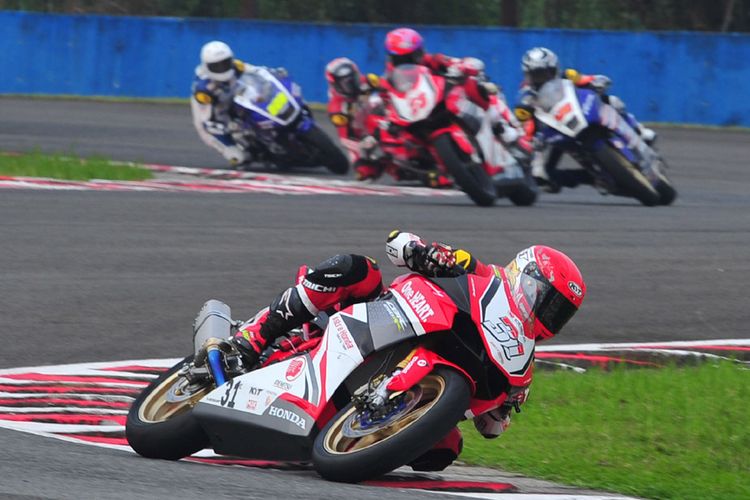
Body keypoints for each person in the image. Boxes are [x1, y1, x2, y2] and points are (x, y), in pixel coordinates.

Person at [225, 230, 586, 468]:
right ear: (525, 276)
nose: (550, 314)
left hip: (432, 372)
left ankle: (358, 439)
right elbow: (396, 242)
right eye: (549, 301)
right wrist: (421, 252)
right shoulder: (475, 269)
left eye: (560, 312)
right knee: (356, 269)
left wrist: (503, 409)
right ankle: (254, 336)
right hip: (391, 315)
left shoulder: (523, 369)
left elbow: (490, 429)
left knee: (445, 451)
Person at [515, 47, 656, 191]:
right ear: (528, 75)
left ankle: (638, 129)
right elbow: (523, 121)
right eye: (536, 75)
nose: (541, 78)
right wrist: (527, 122)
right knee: (544, 175)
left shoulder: (567, 76)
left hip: (579, 115)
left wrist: (597, 81)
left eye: (544, 73)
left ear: (554, 69)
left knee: (612, 100)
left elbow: (588, 79)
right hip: (554, 131)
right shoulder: (526, 94)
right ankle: (593, 179)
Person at [325, 57, 452, 187]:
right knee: (364, 172)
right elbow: (345, 139)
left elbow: (390, 90)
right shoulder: (338, 110)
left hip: (385, 116)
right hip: (365, 136)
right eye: (346, 83)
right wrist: (363, 145)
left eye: (354, 78)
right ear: (335, 85)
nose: (353, 84)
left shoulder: (369, 81)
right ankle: (424, 175)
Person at [191, 40, 259, 167]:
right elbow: (206, 121)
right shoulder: (203, 90)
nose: (222, 68)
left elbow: (257, 72)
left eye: (225, 63)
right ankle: (238, 150)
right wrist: (227, 128)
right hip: (216, 111)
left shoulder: (236, 66)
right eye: (216, 66)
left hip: (237, 99)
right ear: (206, 66)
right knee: (239, 158)